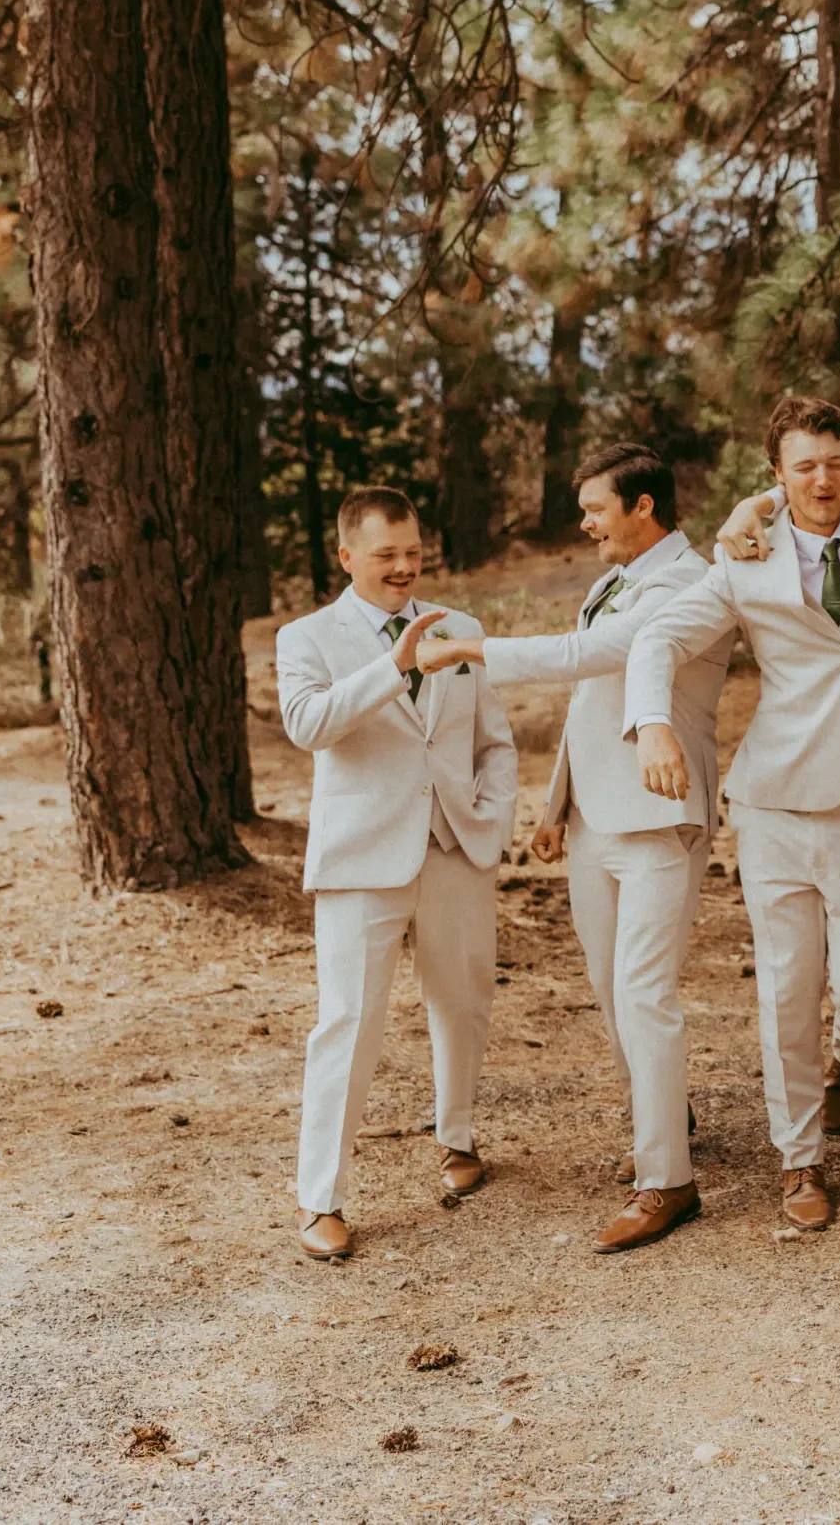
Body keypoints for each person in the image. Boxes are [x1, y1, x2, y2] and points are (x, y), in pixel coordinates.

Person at [417, 444, 729, 1254]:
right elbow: (592, 701)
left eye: (595, 509)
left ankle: (667, 1179)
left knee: (644, 992)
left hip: (659, 815)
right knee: (608, 987)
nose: (585, 524)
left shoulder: (689, 582)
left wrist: (469, 649)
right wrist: (556, 805)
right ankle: (660, 1115)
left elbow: (581, 656)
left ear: (643, 507)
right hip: (594, 820)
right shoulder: (610, 582)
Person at [627, 396, 840, 1232]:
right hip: (775, 797)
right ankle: (800, 1160)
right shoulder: (745, 556)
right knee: (786, 989)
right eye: (803, 466)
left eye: (836, 461)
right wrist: (653, 724)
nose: (824, 479)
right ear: (776, 473)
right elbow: (658, 639)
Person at [276, 487, 516, 1260]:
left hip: (455, 846)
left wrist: (492, 823)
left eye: (414, 552)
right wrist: (395, 663)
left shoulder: (461, 627)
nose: (405, 567)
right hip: (361, 857)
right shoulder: (306, 637)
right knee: (347, 1022)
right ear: (346, 556)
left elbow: (495, 742)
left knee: (464, 1002)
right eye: (387, 555)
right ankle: (321, 1199)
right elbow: (308, 724)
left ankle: (458, 1137)